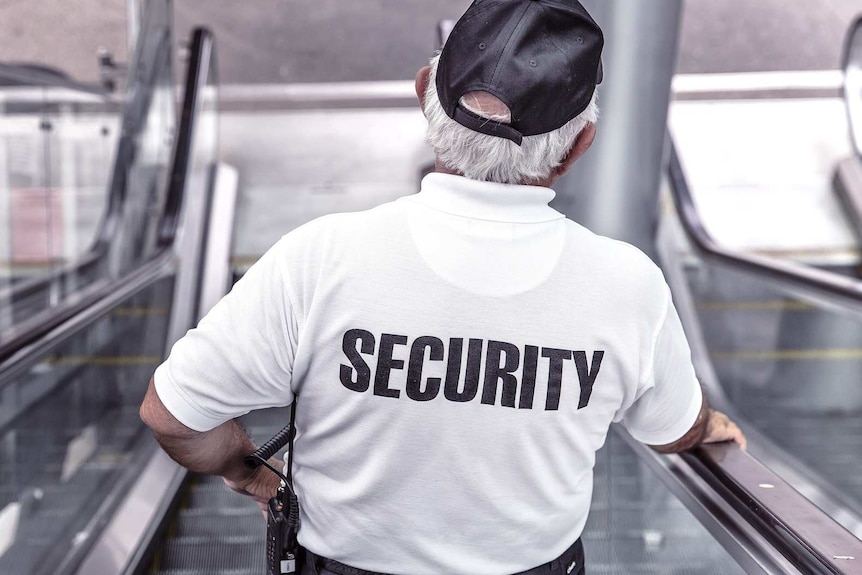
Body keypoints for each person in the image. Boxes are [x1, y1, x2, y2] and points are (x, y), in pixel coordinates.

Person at [140, 1, 746, 574]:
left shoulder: (321, 258)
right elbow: (673, 428)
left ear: (424, 90)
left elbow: (173, 416)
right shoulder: (628, 286)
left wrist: (249, 471)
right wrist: (707, 425)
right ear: (577, 147)